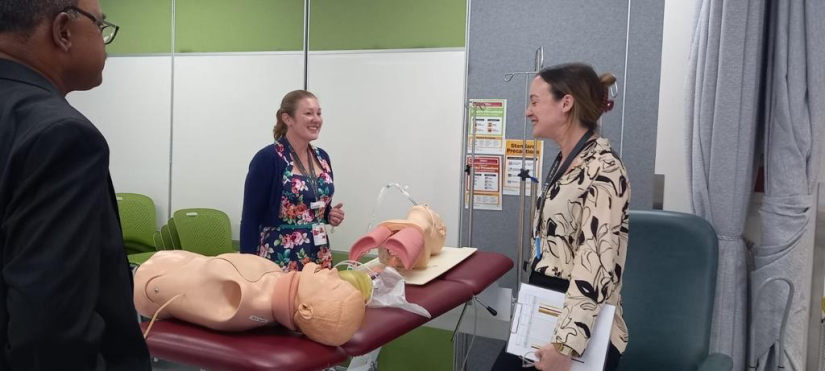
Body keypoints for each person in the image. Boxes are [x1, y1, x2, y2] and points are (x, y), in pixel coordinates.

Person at [0, 0, 151, 369]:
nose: (104, 41)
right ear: (63, 31)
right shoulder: (60, 135)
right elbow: (51, 332)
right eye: (100, 26)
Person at [492, 63, 630, 371]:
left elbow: (597, 261)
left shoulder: (604, 167)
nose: (528, 111)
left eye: (535, 101)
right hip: (548, 303)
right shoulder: (567, 160)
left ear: (566, 103)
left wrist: (566, 344)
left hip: (577, 319)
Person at [240, 90, 345, 272]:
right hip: (280, 253)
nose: (316, 119)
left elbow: (311, 204)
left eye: (318, 113)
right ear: (287, 119)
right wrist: (247, 268)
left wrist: (329, 214)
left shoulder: (322, 157)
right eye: (308, 113)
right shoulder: (268, 158)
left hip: (318, 252)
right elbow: (250, 218)